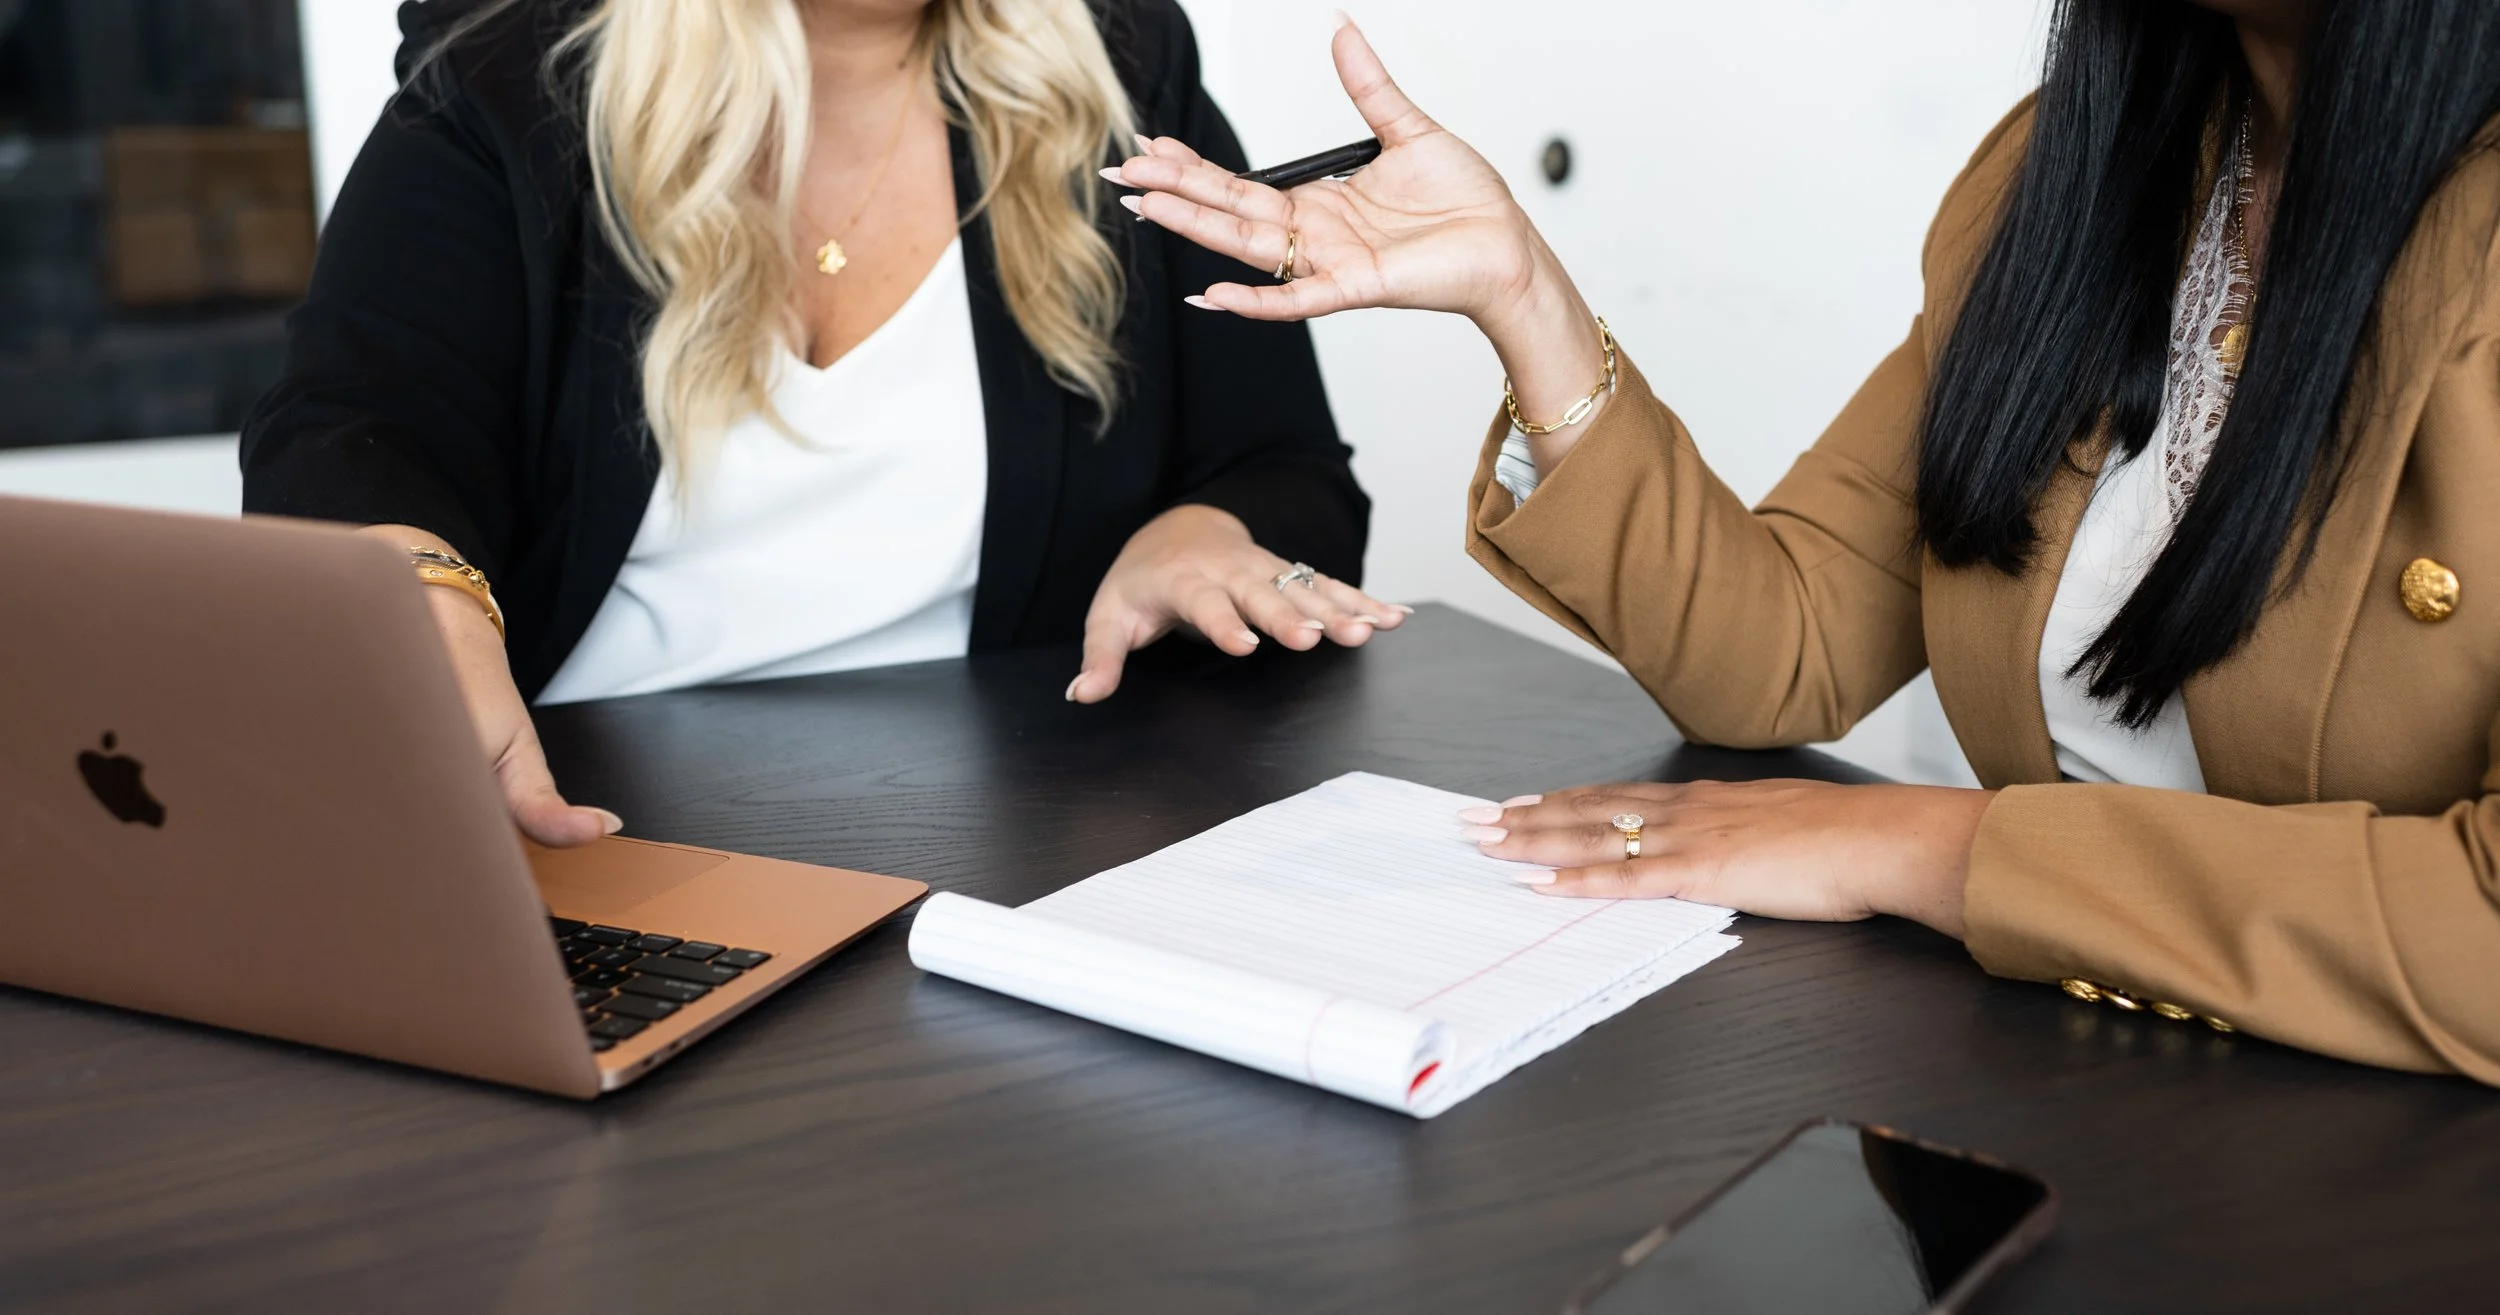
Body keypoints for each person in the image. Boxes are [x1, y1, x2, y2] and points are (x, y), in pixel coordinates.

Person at [1108, 2, 2500, 1083]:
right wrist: (1525, 298)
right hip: (2071, 1093)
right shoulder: (2073, 171)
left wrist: (1929, 848)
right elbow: (1780, 649)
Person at [242, 0, 1407, 849]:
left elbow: (1289, 468)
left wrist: (1201, 531)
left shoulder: (1121, 67)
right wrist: (422, 592)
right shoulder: (507, 79)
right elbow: (351, 426)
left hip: (991, 836)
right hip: (586, 827)